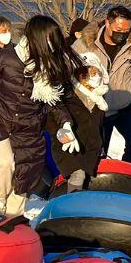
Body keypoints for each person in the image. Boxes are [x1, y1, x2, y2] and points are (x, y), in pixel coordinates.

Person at [0, 15, 80, 215]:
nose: (53, 45)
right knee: (5, 161)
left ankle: (14, 216)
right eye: (49, 40)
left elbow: (54, 102)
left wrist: (66, 124)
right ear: (37, 38)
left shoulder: (50, 65)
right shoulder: (7, 57)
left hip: (29, 126)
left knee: (29, 171)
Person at [76, 6, 131, 163]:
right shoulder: (85, 44)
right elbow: (70, 70)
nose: (122, 35)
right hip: (96, 107)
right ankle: (97, 182)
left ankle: (129, 177)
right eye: (118, 29)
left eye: (126, 30)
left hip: (124, 107)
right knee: (99, 149)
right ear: (107, 23)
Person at [47, 64, 108, 193]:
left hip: (89, 150)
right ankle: (72, 206)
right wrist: (63, 136)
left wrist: (100, 145)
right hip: (69, 149)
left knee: (85, 179)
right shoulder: (67, 96)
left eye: (97, 73)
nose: (95, 77)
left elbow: (99, 127)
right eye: (91, 74)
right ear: (81, 76)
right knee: (78, 176)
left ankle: (78, 204)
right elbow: (53, 122)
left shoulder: (99, 102)